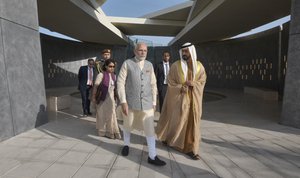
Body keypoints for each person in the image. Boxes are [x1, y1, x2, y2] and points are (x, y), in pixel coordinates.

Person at [117, 42, 166, 166]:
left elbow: (153, 84)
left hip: (147, 103)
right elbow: (120, 83)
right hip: (131, 102)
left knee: (150, 129)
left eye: (145, 50)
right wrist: (123, 101)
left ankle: (152, 155)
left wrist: (154, 102)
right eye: (140, 50)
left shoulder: (149, 65)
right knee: (128, 124)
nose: (143, 52)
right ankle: (126, 145)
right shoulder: (127, 63)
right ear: (135, 51)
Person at [156, 42, 206, 160]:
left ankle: (191, 149)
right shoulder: (175, 66)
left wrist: (194, 84)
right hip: (180, 101)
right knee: (177, 123)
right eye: (182, 51)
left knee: (192, 124)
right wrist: (181, 87)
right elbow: (170, 82)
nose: (184, 53)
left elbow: (202, 81)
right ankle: (170, 140)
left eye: (186, 51)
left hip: (194, 101)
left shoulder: (199, 66)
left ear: (191, 52)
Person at [92, 59, 121, 139]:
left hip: (111, 99)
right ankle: (102, 131)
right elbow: (95, 87)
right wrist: (94, 97)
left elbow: (115, 88)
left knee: (112, 115)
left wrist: (118, 98)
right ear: (105, 66)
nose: (112, 68)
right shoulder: (101, 75)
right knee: (101, 116)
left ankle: (112, 132)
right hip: (102, 99)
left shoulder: (114, 76)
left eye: (113, 67)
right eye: (110, 66)